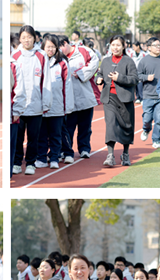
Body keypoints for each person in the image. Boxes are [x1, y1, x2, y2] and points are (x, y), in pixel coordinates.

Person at [12, 25, 52, 175]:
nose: (26, 40)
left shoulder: (41, 55)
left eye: (29, 37)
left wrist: (46, 103)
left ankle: (30, 163)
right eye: (23, 37)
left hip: (36, 104)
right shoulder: (15, 56)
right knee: (18, 137)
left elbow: (46, 81)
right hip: (19, 105)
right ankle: (17, 163)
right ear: (19, 39)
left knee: (33, 137)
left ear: (35, 38)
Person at [96, 35, 138, 167]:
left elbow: (134, 79)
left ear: (123, 46)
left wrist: (119, 78)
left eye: (118, 45)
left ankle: (125, 154)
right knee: (111, 125)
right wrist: (99, 79)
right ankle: (110, 156)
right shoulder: (106, 61)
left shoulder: (129, 61)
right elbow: (100, 73)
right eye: (113, 45)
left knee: (127, 126)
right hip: (109, 98)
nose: (115, 47)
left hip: (125, 99)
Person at [58, 35, 100, 162]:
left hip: (85, 95)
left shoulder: (83, 51)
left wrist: (81, 73)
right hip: (69, 99)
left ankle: (84, 149)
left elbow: (95, 62)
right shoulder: (59, 57)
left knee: (85, 126)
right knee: (68, 127)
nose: (59, 51)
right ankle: (67, 150)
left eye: (60, 47)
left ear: (65, 43)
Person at [35, 34, 73, 170]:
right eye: (48, 47)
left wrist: (67, 106)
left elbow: (67, 86)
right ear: (43, 47)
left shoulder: (62, 63)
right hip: (41, 107)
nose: (50, 49)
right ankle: (41, 158)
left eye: (53, 47)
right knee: (42, 135)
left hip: (57, 106)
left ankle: (54, 158)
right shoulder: (37, 62)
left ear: (57, 48)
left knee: (56, 135)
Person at [138, 37, 160, 149]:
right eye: (155, 45)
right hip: (148, 95)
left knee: (159, 120)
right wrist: (146, 77)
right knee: (147, 118)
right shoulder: (143, 61)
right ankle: (146, 129)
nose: (158, 47)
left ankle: (156, 140)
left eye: (159, 45)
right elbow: (137, 76)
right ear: (149, 47)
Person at [10, 47, 26, 177]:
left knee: (11, 146)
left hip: (11, 114)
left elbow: (19, 89)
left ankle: (9, 173)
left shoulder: (13, 65)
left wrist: (17, 110)